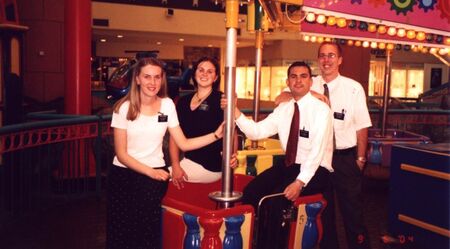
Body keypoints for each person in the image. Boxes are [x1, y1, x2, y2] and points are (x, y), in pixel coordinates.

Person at [107, 57, 223, 249]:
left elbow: (183, 143)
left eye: (157, 77)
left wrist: (215, 135)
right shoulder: (123, 108)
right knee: (121, 232)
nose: (152, 82)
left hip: (154, 174)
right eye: (147, 77)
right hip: (125, 175)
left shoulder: (167, 104)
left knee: (147, 230)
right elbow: (121, 154)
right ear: (137, 79)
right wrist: (151, 172)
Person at [275, 42, 372, 249]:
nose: (326, 60)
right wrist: (312, 95)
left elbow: (362, 126)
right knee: (322, 213)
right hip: (317, 160)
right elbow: (279, 98)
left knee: (353, 214)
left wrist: (360, 159)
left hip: (345, 158)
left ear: (340, 60)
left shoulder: (353, 88)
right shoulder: (309, 82)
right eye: (322, 56)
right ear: (318, 59)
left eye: (331, 56)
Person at [229, 61, 334, 249]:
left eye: (303, 76)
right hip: (289, 165)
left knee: (276, 202)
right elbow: (256, 132)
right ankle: (258, 242)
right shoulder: (283, 109)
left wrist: (299, 183)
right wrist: (235, 111)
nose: (298, 80)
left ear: (310, 82)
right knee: (252, 192)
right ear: (287, 82)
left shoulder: (321, 110)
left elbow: (316, 152)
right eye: (293, 76)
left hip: (316, 169)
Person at [169, 56, 236, 188]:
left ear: (215, 77)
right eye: (201, 70)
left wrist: (232, 156)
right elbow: (174, 136)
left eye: (210, 71)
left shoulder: (221, 100)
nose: (204, 74)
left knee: (159, 177)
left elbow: (232, 132)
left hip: (211, 166)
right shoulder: (183, 102)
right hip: (188, 161)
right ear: (195, 73)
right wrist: (176, 165)